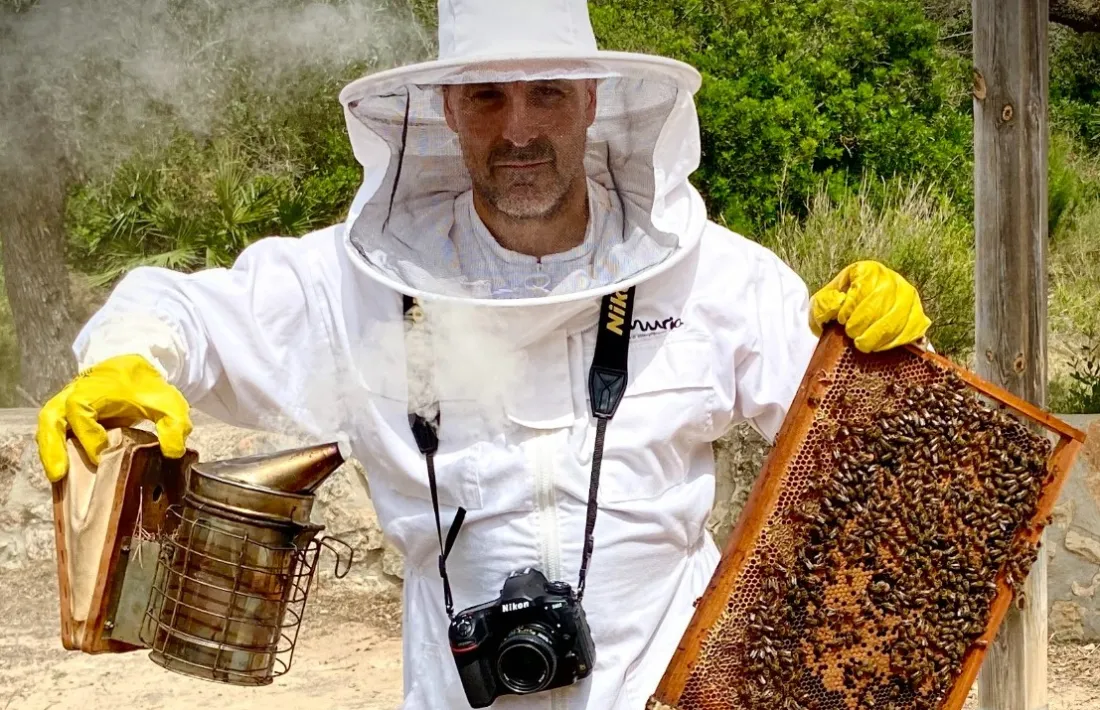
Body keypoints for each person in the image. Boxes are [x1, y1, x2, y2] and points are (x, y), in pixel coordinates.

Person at [35, 1, 930, 708]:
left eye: (548, 93)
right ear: (446, 112)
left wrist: (888, 354)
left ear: (592, 102)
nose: (519, 129)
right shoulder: (357, 283)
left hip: (667, 689)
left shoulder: (709, 274)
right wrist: (127, 360)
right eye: (488, 97)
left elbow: (880, 445)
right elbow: (174, 306)